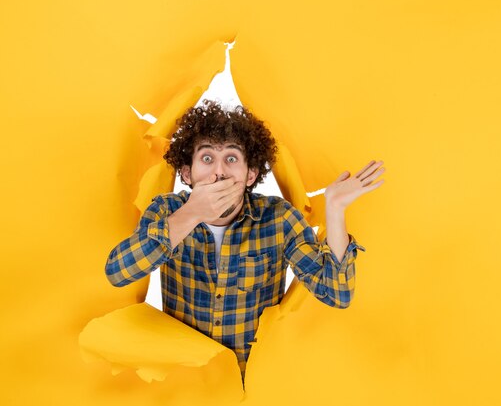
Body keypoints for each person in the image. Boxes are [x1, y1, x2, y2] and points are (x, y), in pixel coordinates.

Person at [104, 99, 385, 382]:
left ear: (250, 174)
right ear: (187, 173)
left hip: (255, 384)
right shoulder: (166, 210)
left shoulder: (278, 219)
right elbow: (118, 272)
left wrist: (335, 210)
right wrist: (190, 214)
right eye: (206, 158)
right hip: (186, 386)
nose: (219, 172)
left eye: (231, 158)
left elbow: (336, 292)